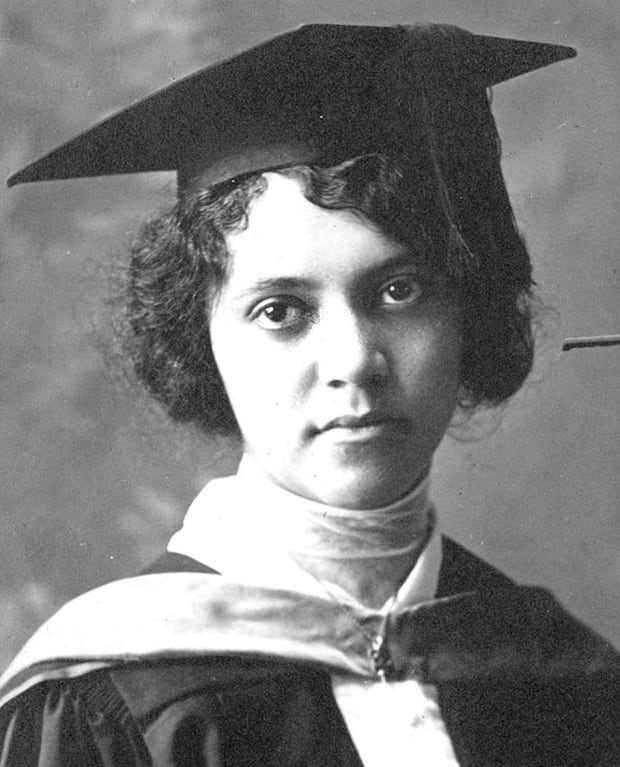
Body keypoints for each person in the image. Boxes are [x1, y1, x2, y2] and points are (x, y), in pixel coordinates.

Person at [0, 22, 618, 767]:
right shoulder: (108, 700)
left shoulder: (561, 675)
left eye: (400, 290)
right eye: (280, 311)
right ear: (200, 339)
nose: (354, 361)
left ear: (469, 309)